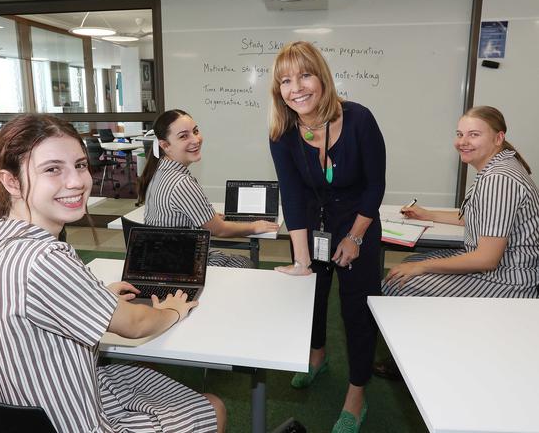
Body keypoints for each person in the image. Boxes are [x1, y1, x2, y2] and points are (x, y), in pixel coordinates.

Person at [0, 114, 225, 433]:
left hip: (28, 410)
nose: (76, 182)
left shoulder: (0, 235)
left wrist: (96, 297)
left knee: (136, 372)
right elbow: (136, 324)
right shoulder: (45, 257)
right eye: (52, 169)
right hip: (72, 421)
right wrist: (172, 310)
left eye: (79, 165)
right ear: (11, 182)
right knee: (213, 407)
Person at [268, 41, 386, 433]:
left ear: (322, 77)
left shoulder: (358, 120)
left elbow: (375, 186)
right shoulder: (282, 132)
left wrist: (354, 238)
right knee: (312, 299)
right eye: (285, 80)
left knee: (356, 309)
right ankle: (317, 356)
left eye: (304, 75)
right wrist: (302, 261)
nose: (296, 87)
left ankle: (357, 393)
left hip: (359, 224)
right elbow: (292, 194)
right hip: (314, 226)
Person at [383, 106, 539, 296]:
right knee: (409, 264)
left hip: (507, 281)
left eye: (473, 134)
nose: (462, 142)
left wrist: (422, 267)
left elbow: (486, 260)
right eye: (459, 134)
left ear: (498, 138)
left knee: (396, 284)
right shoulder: (497, 167)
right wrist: (428, 214)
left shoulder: (499, 179)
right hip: (498, 271)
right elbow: (480, 218)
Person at [137, 109, 280, 268]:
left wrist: (204, 217)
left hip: (163, 259)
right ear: (165, 145)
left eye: (195, 131)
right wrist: (254, 226)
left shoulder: (159, 171)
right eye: (184, 136)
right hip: (183, 265)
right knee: (246, 263)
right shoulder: (182, 183)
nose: (195, 139)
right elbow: (220, 230)